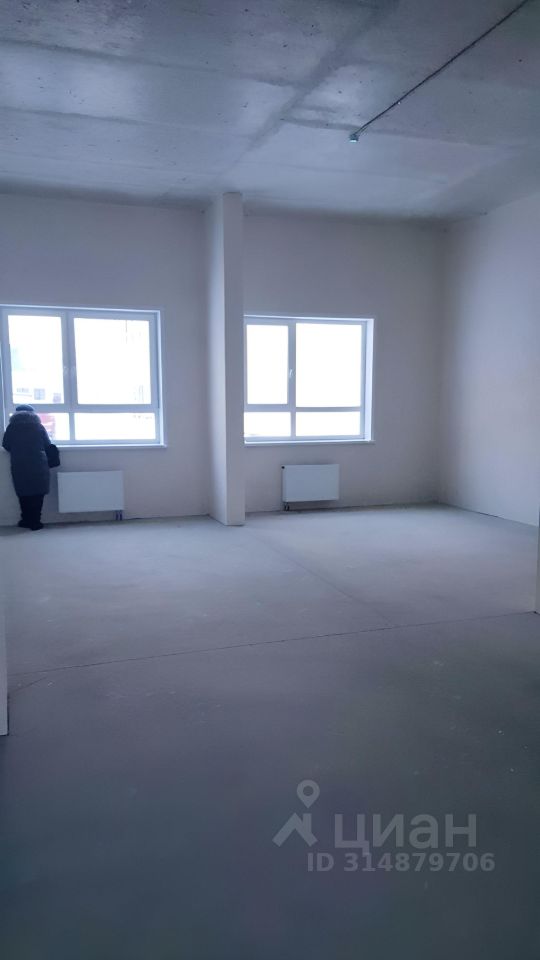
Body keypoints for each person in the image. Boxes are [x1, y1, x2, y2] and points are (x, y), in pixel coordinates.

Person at [2, 405, 53, 531]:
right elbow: (47, 444)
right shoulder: (38, 427)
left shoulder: (12, 427)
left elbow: (6, 445)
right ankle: (36, 521)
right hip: (38, 463)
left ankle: (25, 520)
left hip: (19, 463)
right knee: (38, 493)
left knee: (23, 492)